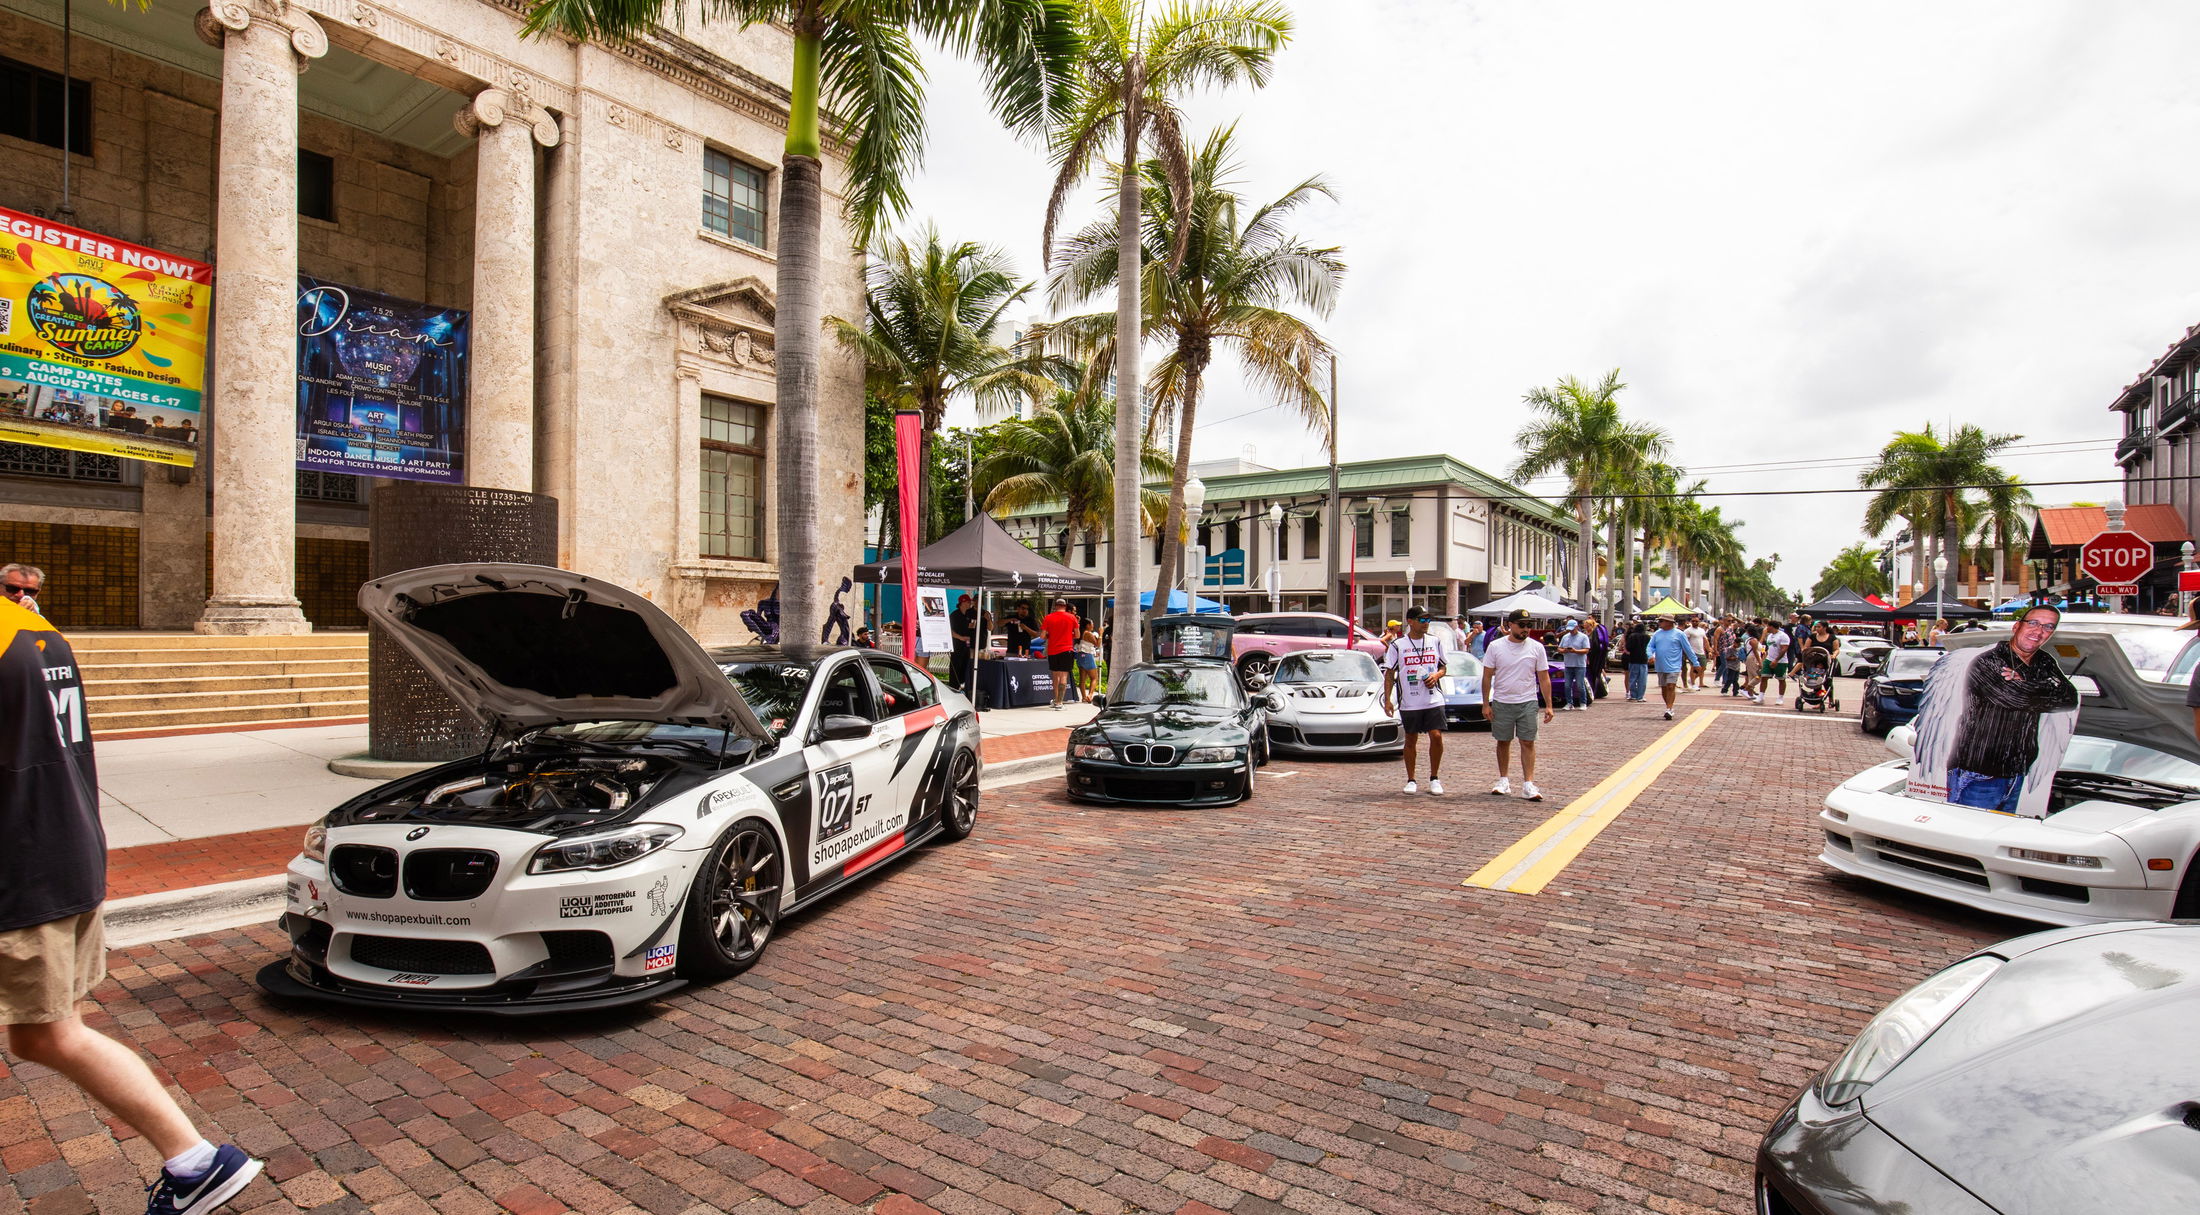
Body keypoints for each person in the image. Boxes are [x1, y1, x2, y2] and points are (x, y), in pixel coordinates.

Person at [2, 591, 266, 1214]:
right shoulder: (33, 626)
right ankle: (195, 1161)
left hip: (19, 865)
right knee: (44, 1035)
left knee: (49, 1033)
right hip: (63, 847)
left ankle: (196, 1159)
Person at [1945, 606, 2079, 813]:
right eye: (2033, 623)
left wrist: (2024, 682)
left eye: (2048, 626)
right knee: (1969, 836)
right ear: (2017, 626)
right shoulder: (1988, 662)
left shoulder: (2044, 662)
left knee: (1995, 838)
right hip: (1979, 773)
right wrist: (2040, 687)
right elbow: (2014, 697)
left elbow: (2069, 698)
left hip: (2016, 773)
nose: (2039, 631)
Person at [1478, 608, 1554, 801]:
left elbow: (1544, 678)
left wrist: (1549, 705)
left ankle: (1528, 783)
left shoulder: (1536, 647)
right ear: (1510, 625)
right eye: (1521, 625)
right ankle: (1503, 779)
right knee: (1503, 741)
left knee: (1528, 741)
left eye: (1529, 625)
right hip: (1503, 701)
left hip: (1527, 700)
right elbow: (1487, 676)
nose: (1526, 629)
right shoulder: (1496, 646)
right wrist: (1485, 704)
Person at [1380, 606, 1451, 794]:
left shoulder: (1435, 642)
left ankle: (1434, 777)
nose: (1426, 623)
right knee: (1411, 739)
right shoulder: (1398, 645)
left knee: (1436, 736)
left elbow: (1444, 668)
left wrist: (1436, 676)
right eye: (1422, 620)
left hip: (1432, 698)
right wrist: (1387, 700)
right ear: (1410, 621)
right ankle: (1411, 779)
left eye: (1428, 620)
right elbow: (1389, 674)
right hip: (1409, 699)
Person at [1646, 614, 1692, 721]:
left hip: (1674, 665)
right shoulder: (1657, 634)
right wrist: (1650, 655)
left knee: (1671, 686)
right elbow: (1650, 646)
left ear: (1669, 622)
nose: (1659, 623)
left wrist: (1695, 662)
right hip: (1661, 665)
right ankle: (1669, 706)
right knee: (1664, 688)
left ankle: (1669, 709)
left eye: (1661, 621)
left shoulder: (1679, 634)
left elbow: (1688, 649)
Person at [1041, 598, 1081, 708]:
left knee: (1055, 676)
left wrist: (1051, 635)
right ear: (1065, 606)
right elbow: (1077, 635)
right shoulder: (1072, 617)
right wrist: (1069, 635)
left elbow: (1042, 636)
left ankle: (1056, 700)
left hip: (1053, 650)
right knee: (1064, 675)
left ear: (1056, 606)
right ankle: (1060, 702)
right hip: (1067, 650)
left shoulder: (1048, 617)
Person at [948, 594, 980, 693]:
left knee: (965, 668)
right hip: (956, 647)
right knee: (955, 669)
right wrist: (961, 638)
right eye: (968, 602)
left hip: (967, 647)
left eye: (970, 602)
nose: (970, 604)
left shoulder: (969, 614)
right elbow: (949, 630)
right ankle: (953, 689)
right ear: (962, 603)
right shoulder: (954, 615)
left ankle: (963, 689)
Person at [1557, 619, 1591, 710]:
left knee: (1580, 685)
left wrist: (1575, 651)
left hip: (1580, 665)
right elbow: (1559, 648)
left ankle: (1583, 703)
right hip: (1568, 664)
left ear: (1577, 627)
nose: (1571, 631)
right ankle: (1569, 703)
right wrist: (1564, 650)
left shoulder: (1583, 637)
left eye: (1572, 629)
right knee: (1567, 685)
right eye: (1569, 629)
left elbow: (1586, 650)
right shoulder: (1565, 637)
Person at [1761, 618, 1792, 703]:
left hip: (1781, 661)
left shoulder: (1783, 636)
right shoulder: (1770, 636)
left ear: (1771, 627)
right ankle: (1761, 696)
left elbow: (1784, 649)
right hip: (1769, 659)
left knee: (1781, 679)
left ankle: (1780, 697)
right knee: (1764, 677)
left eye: (1768, 626)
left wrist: (1776, 660)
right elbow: (1769, 648)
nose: (1766, 628)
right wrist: (1764, 659)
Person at [1623, 619, 1650, 701]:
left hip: (1633, 659)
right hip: (1643, 659)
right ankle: (1640, 696)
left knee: (1633, 678)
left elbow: (1628, 647)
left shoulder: (1632, 636)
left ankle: (1633, 695)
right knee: (1642, 679)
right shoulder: (1647, 637)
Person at [1076, 617, 1102, 699]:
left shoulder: (1082, 633)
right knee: (1094, 678)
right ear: (1087, 625)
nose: (1093, 626)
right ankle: (1090, 695)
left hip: (1080, 655)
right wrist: (1100, 634)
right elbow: (1097, 644)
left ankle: (1084, 697)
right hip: (1087, 655)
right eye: (1092, 624)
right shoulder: (1088, 634)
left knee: (1082, 679)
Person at [1683, 617, 1709, 689]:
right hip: (1692, 652)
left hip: (1701, 651)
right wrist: (1687, 652)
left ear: (1699, 622)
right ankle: (1693, 684)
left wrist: (1709, 650)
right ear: (1691, 622)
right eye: (1693, 621)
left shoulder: (1702, 630)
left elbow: (1705, 640)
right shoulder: (1688, 631)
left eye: (1696, 621)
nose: (1695, 622)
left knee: (1703, 668)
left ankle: (1692, 680)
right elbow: (1686, 642)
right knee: (1694, 667)